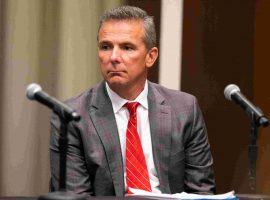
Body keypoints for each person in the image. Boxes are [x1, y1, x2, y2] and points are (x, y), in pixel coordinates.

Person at [50, 5, 215, 197]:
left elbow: (202, 192)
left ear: (150, 57)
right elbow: (75, 196)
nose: (113, 57)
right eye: (106, 47)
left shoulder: (184, 109)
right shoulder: (72, 116)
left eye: (127, 47)